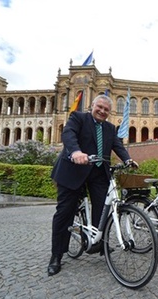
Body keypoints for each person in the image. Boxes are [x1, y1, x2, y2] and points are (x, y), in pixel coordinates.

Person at [47, 94, 137, 276]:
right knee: (65, 213)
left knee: (103, 211)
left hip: (97, 173)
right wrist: (76, 152)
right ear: (92, 106)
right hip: (73, 170)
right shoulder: (78, 118)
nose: (102, 111)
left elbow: (117, 146)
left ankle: (99, 244)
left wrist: (128, 159)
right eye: (100, 107)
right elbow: (69, 134)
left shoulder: (110, 128)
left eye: (106, 110)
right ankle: (56, 255)